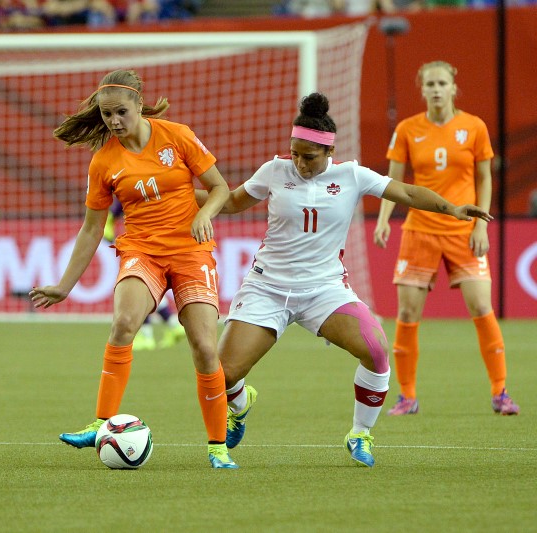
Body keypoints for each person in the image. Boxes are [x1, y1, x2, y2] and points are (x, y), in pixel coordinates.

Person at [197, 92, 493, 467]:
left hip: (324, 290)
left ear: (329, 151)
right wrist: (172, 200)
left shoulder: (352, 175)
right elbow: (235, 200)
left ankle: (360, 435)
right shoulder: (274, 170)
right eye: (295, 153)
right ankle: (239, 405)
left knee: (376, 350)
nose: (300, 163)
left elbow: (406, 192)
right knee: (220, 376)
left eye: (309, 156)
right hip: (267, 288)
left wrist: (451, 208)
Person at [29, 69, 236, 468]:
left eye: (121, 112)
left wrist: (204, 214)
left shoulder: (177, 135)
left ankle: (217, 447)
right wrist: (65, 285)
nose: (114, 122)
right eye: (107, 115)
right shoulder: (103, 160)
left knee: (206, 349)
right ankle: (100, 421)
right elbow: (92, 228)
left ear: (141, 104)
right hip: (142, 250)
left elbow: (220, 187)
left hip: (192, 251)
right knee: (124, 324)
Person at [374, 61, 519, 416]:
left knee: (482, 308)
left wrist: (482, 224)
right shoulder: (408, 129)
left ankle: (500, 392)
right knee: (407, 312)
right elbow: (392, 183)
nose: (436, 89)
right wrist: (383, 220)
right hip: (419, 230)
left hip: (462, 232)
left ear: (454, 87)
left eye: (442, 83)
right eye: (430, 84)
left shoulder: (474, 127)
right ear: (421, 89)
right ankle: (407, 397)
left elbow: (484, 178)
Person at [103, 198, 186, 351]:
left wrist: (111, 217)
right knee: (146, 286)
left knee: (139, 284)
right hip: (163, 238)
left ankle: (149, 334)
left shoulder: (134, 189)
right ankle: (169, 326)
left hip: (144, 242)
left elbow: (126, 196)